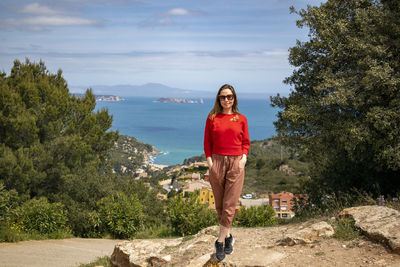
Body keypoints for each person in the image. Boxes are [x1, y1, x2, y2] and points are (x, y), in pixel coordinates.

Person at [203, 84, 250, 261]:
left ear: (234, 98)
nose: (226, 100)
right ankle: (229, 236)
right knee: (220, 205)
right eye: (223, 97)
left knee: (230, 203)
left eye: (229, 96)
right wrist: (210, 162)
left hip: (236, 162)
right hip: (216, 161)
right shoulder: (212, 118)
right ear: (218, 99)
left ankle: (220, 241)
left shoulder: (241, 118)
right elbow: (207, 142)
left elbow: (246, 142)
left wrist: (243, 159)